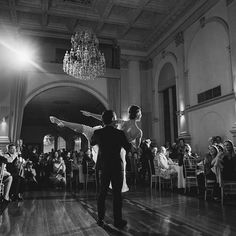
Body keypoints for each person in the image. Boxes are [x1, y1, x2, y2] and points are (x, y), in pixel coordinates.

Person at [90, 110, 131, 228]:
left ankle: (100, 219)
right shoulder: (119, 133)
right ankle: (118, 221)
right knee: (117, 194)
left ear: (103, 120)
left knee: (102, 193)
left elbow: (92, 143)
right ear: (113, 119)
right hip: (117, 166)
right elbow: (128, 147)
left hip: (103, 166)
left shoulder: (98, 132)